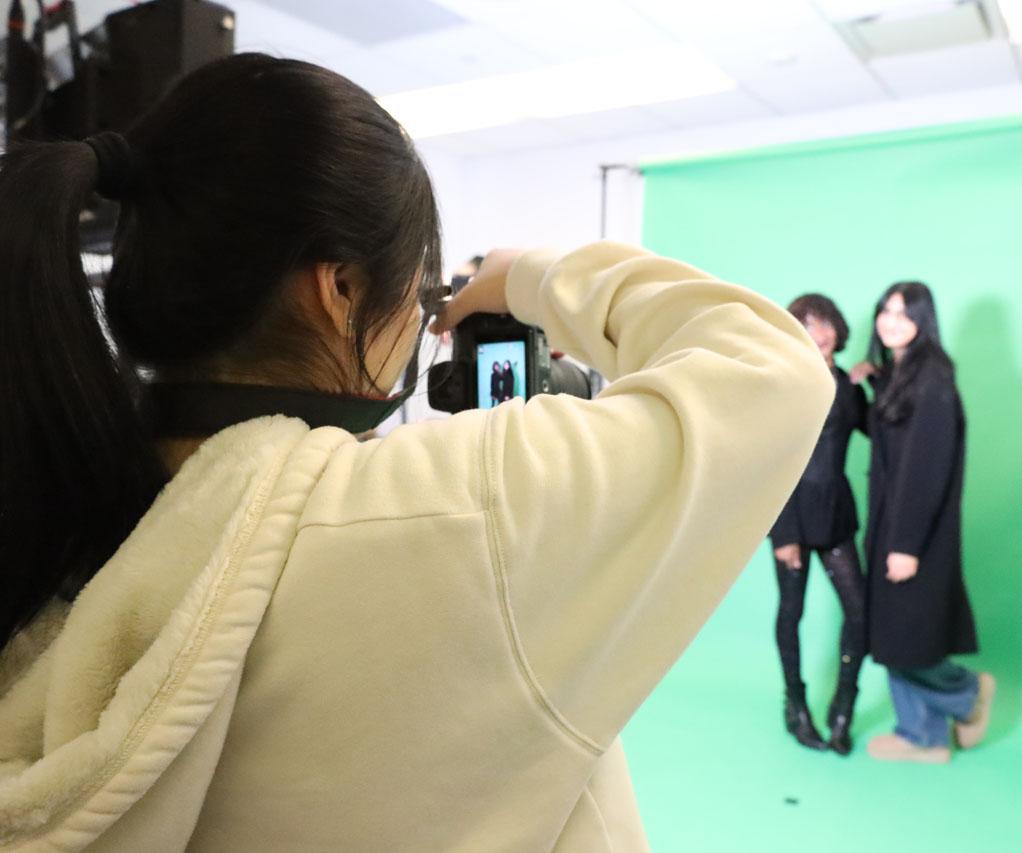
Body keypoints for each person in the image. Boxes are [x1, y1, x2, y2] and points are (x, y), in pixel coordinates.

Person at [0, 54, 834, 850]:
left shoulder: (63, 500)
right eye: (419, 286)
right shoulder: (460, 507)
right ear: (342, 290)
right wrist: (535, 276)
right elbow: (776, 372)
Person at [861, 282, 996, 764]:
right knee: (896, 635)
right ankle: (924, 736)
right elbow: (891, 432)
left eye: (904, 313)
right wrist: (870, 380)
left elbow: (926, 466)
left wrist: (906, 545)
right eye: (885, 311)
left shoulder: (933, 376)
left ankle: (967, 692)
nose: (891, 320)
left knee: (907, 642)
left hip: (914, 532)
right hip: (891, 525)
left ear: (924, 320)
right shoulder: (903, 371)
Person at [769, 294, 873, 756]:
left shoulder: (849, 386)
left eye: (826, 322)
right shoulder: (786, 383)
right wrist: (783, 534)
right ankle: (795, 703)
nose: (821, 332)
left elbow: (882, 429)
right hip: (792, 510)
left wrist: (880, 379)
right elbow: (772, 458)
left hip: (834, 511)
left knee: (860, 611)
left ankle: (844, 707)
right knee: (792, 611)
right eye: (809, 324)